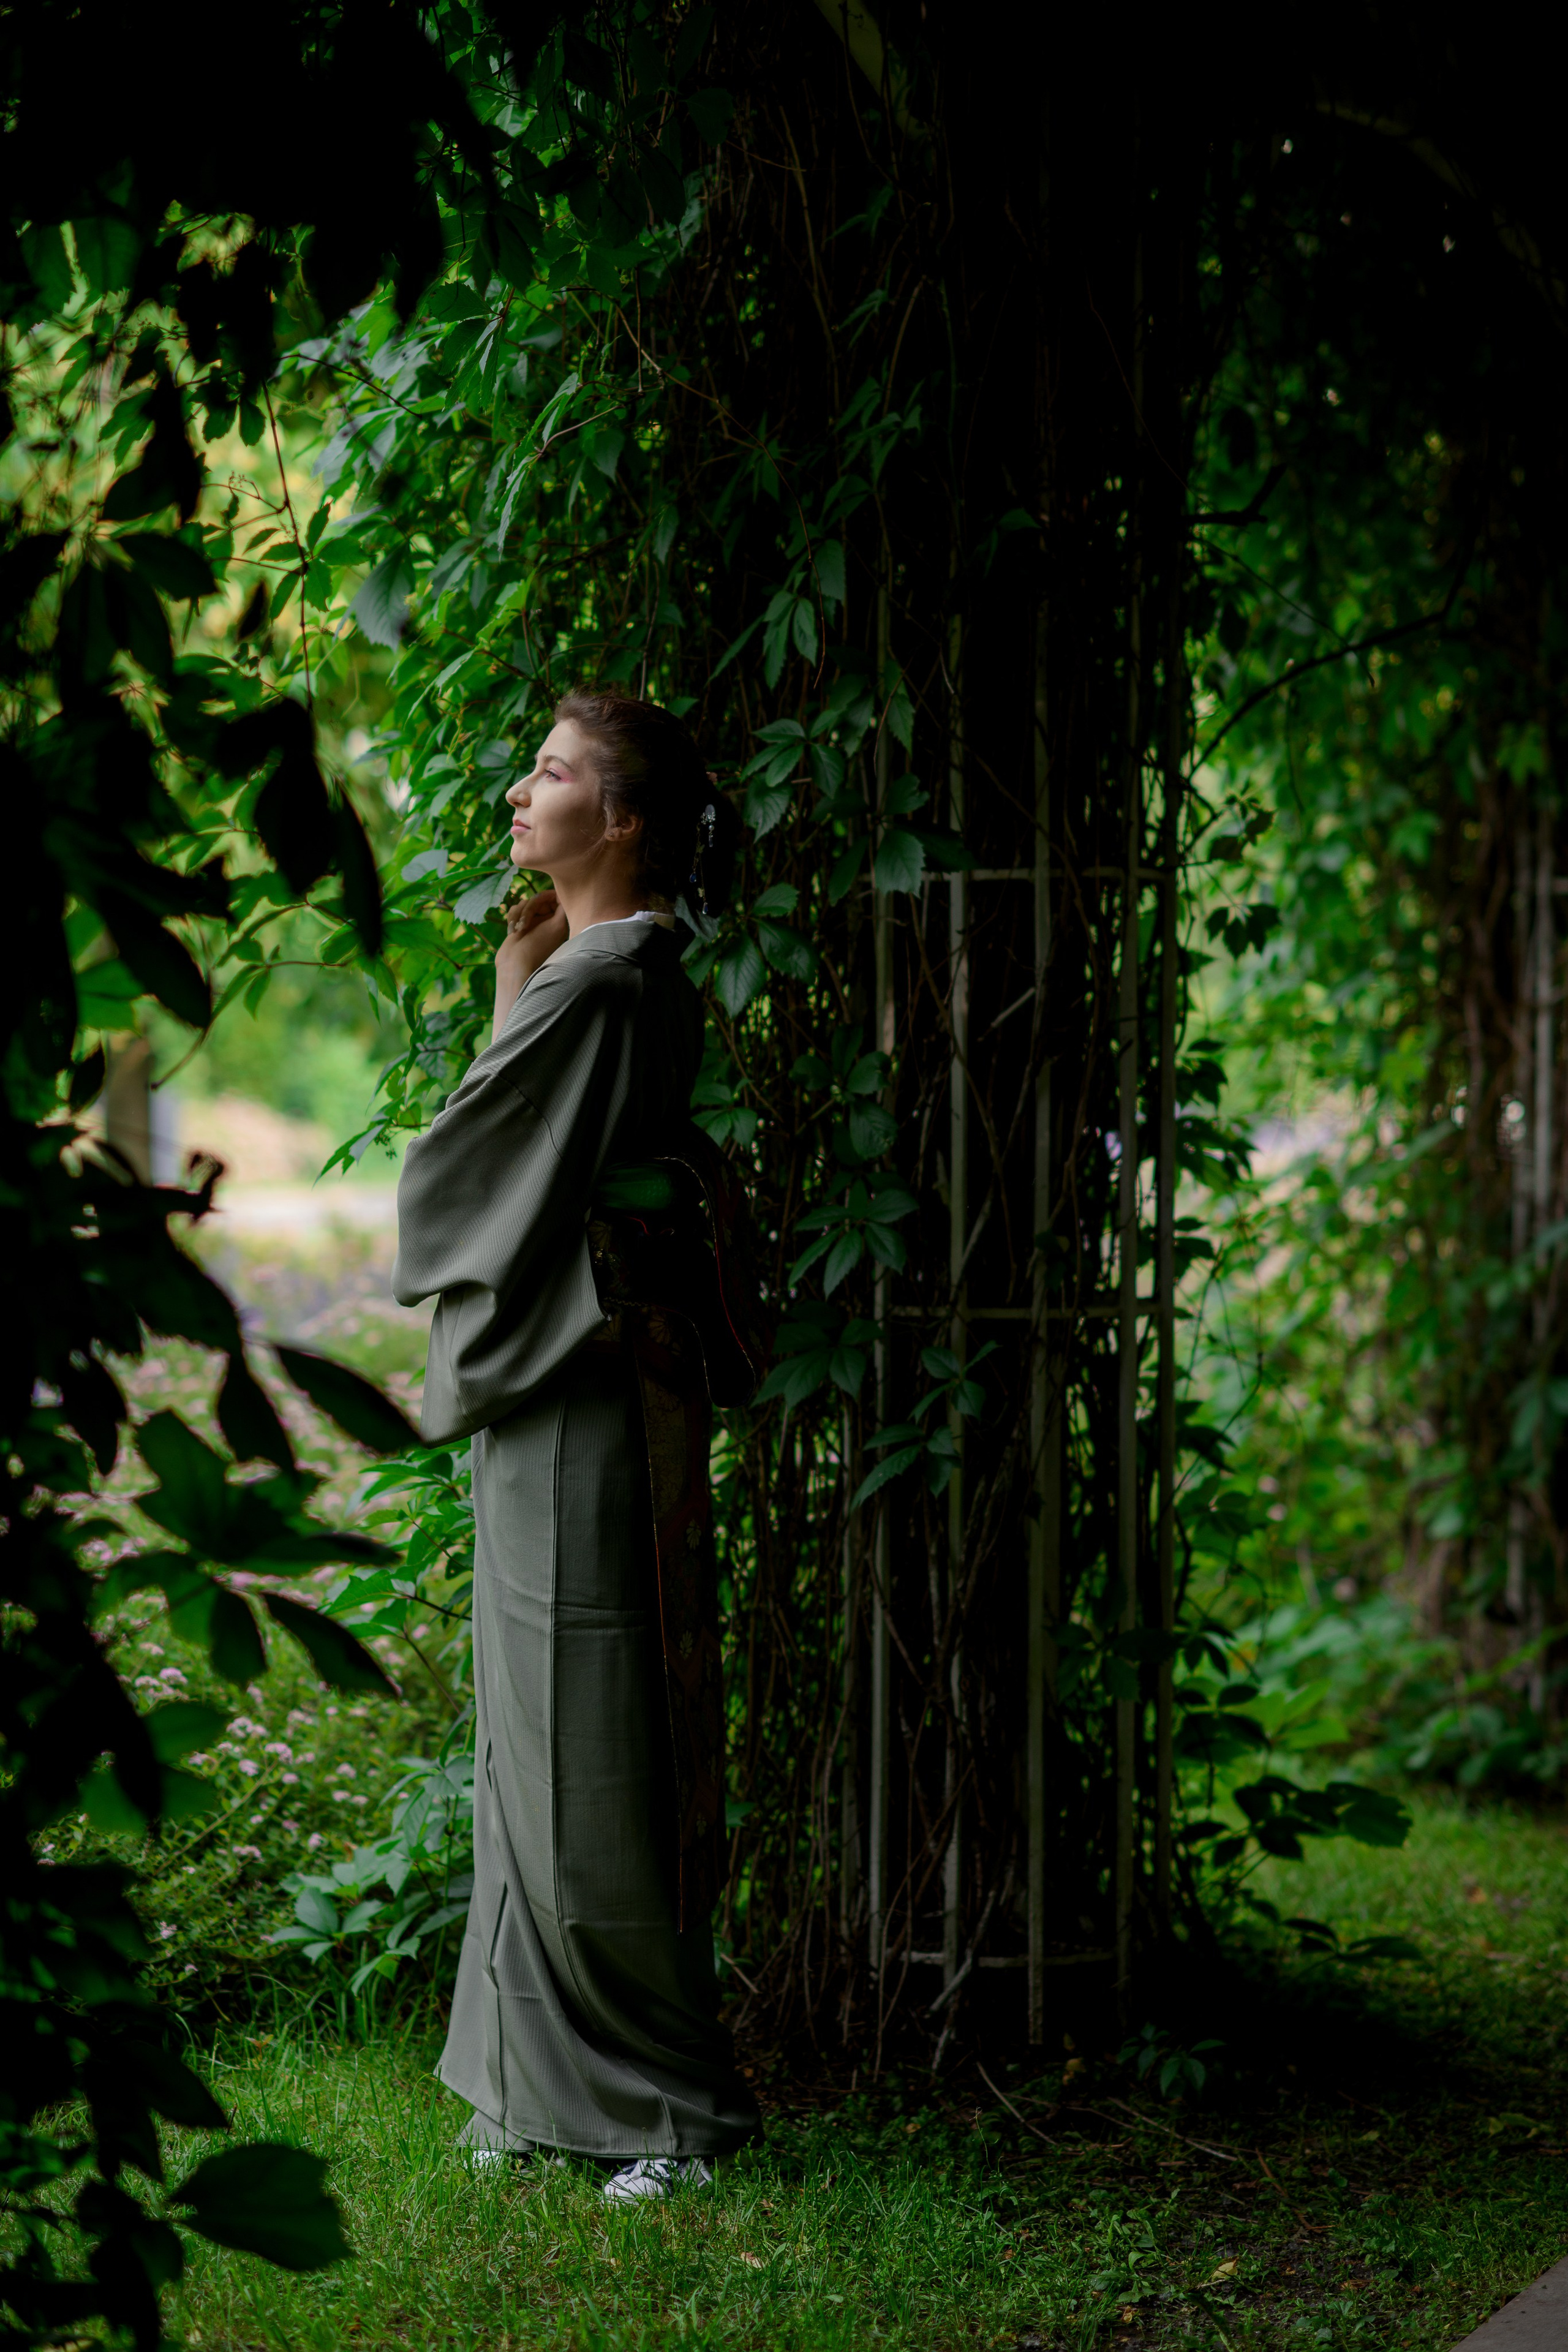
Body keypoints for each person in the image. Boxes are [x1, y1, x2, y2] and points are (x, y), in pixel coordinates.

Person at [392, 690, 763, 2202]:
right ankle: (539, 2090)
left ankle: (663, 2106)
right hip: (578, 1374)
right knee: (535, 1738)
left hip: (582, 1376)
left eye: (547, 776)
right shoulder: (594, 969)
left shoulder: (607, 981)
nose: (518, 798)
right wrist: (504, 986)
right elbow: (523, 1141)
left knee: (591, 1735)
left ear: (618, 820)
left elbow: (462, 1167)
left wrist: (516, 1000)